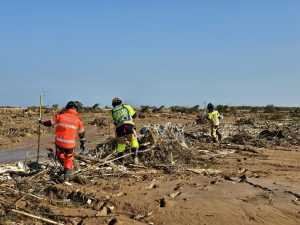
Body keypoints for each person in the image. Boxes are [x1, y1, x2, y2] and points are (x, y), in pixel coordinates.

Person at [40, 101, 86, 181]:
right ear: (76, 109)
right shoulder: (78, 120)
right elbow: (82, 134)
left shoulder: (60, 116)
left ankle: (66, 172)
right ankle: (67, 174)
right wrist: (82, 144)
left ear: (67, 108)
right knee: (69, 158)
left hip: (59, 143)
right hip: (70, 145)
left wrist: (41, 122)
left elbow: (49, 123)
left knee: (60, 155)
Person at [111, 97, 139, 164]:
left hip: (119, 128)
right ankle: (135, 157)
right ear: (120, 102)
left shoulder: (113, 111)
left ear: (113, 104)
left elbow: (115, 122)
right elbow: (134, 115)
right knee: (133, 139)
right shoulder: (126, 106)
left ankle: (120, 161)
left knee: (121, 144)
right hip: (128, 125)